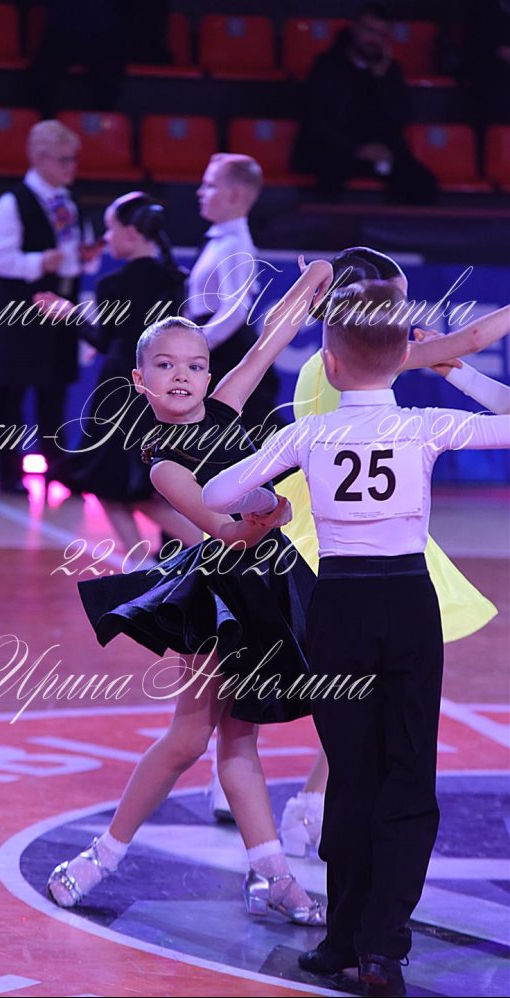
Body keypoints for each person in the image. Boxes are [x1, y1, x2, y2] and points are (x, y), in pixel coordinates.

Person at [202, 281, 510, 996]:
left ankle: (341, 938)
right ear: (402, 357)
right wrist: (461, 373)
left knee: (349, 770)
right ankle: (381, 949)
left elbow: (217, 493)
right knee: (408, 770)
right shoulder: (425, 425)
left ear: (331, 365)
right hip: (408, 603)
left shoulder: (306, 434)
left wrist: (267, 505)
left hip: (337, 605)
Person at [46, 259, 335, 925]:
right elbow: (225, 531)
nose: (183, 375)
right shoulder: (163, 461)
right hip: (222, 595)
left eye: (195, 365)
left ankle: (273, 877)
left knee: (240, 744)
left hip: (271, 585)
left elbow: (267, 343)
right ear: (140, 380)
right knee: (188, 737)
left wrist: (312, 280)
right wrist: (267, 515)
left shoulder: (227, 407)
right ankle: (102, 856)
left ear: (209, 374)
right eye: (167, 365)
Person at [276, 247, 508, 856]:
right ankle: (310, 810)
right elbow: (474, 337)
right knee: (367, 684)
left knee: (349, 684)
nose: (399, 318)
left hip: (320, 517)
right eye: (392, 303)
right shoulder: (372, 355)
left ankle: (301, 803)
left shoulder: (327, 360)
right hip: (351, 532)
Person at [34, 191, 201, 552]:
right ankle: (147, 567)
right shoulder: (173, 279)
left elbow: (107, 340)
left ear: (132, 232)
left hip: (121, 395)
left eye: (111, 228)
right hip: (161, 393)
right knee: (120, 488)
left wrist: (70, 315)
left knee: (127, 490)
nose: (106, 238)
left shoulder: (115, 284)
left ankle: (222, 549)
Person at [0, 119, 99, 496]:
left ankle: (57, 469)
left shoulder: (71, 203)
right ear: (39, 158)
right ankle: (9, 472)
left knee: (55, 391)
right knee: (11, 393)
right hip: (20, 312)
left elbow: (79, 257)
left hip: (61, 309)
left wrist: (85, 258)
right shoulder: (12, 203)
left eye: (74, 159)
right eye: (64, 160)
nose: (71, 167)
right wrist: (37, 262)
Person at [292, 3, 437, 203]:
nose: (374, 39)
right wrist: (356, 150)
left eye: (381, 34)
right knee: (329, 177)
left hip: (377, 151)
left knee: (422, 183)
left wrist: (381, 81)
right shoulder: (327, 66)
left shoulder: (389, 71)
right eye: (369, 31)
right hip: (334, 148)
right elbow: (316, 120)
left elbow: (400, 118)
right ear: (355, 29)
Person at [186, 153, 284, 438]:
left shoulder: (234, 245)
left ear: (234, 194)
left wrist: (195, 348)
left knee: (242, 434)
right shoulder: (221, 240)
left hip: (226, 352)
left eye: (210, 185)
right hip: (217, 346)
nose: (200, 192)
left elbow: (236, 309)